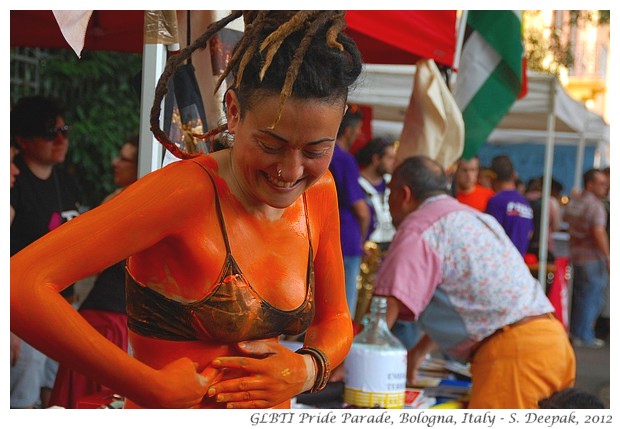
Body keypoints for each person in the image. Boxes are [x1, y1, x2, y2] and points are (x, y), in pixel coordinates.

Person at [11, 11, 361, 409]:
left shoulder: (319, 190)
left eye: (316, 150)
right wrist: (146, 384)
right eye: (271, 145)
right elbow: (21, 285)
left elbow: (335, 319)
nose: (291, 170)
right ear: (233, 111)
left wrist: (308, 370)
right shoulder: (184, 192)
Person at [373, 155, 575, 408]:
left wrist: (351, 365)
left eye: (389, 195)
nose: (387, 204)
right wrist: (420, 351)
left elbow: (387, 304)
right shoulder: (472, 217)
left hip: (515, 355)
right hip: (552, 342)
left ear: (403, 194)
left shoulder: (419, 226)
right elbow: (470, 299)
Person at [48, 134, 139, 408]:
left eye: (124, 159)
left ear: (139, 166)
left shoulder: (131, 203)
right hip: (104, 320)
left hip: (111, 321)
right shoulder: (123, 202)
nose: (115, 163)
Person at [10, 95, 82, 409]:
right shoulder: (13, 182)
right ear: (23, 140)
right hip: (23, 312)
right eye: (51, 133)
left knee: (56, 391)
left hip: (62, 307)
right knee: (22, 399)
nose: (61, 140)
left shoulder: (66, 182)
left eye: (64, 130)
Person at [329, 104, 370, 317]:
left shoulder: (326, 154)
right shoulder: (344, 158)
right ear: (347, 131)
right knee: (343, 310)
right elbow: (361, 210)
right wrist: (362, 240)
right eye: (358, 130)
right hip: (347, 238)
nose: (360, 135)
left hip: (327, 236)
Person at [564, 168, 610, 348]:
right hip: (592, 257)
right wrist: (607, 256)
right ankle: (585, 334)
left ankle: (577, 332)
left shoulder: (575, 203)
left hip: (575, 255)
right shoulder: (595, 206)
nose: (605, 187)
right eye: (602, 184)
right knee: (592, 297)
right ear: (590, 184)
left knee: (581, 296)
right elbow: (598, 232)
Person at [485, 154, 534, 256]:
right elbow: (530, 234)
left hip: (501, 262)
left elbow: (491, 234)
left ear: (492, 177)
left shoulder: (496, 201)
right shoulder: (525, 202)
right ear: (513, 175)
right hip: (519, 264)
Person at [354, 136, 397, 250]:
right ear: (376, 159)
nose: (393, 162)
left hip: (390, 245)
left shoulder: (392, 182)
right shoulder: (356, 183)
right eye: (390, 158)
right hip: (368, 247)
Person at [524, 175, 563, 261]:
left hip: (524, 245)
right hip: (544, 245)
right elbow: (556, 226)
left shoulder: (523, 199)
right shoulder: (550, 202)